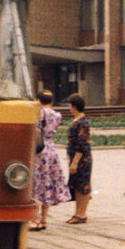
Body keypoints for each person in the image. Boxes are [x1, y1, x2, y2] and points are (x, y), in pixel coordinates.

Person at [30, 91, 70, 230]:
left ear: (38, 101)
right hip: (51, 150)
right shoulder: (57, 115)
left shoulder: (38, 114)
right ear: (51, 101)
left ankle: (35, 220)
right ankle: (44, 219)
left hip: (38, 150)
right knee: (47, 184)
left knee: (36, 184)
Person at [65, 94, 92, 224]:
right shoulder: (76, 121)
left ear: (74, 106)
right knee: (76, 186)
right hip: (75, 158)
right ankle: (77, 213)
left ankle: (82, 214)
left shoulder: (83, 123)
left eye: (70, 105)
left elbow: (81, 146)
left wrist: (75, 162)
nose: (69, 108)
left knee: (83, 186)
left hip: (82, 159)